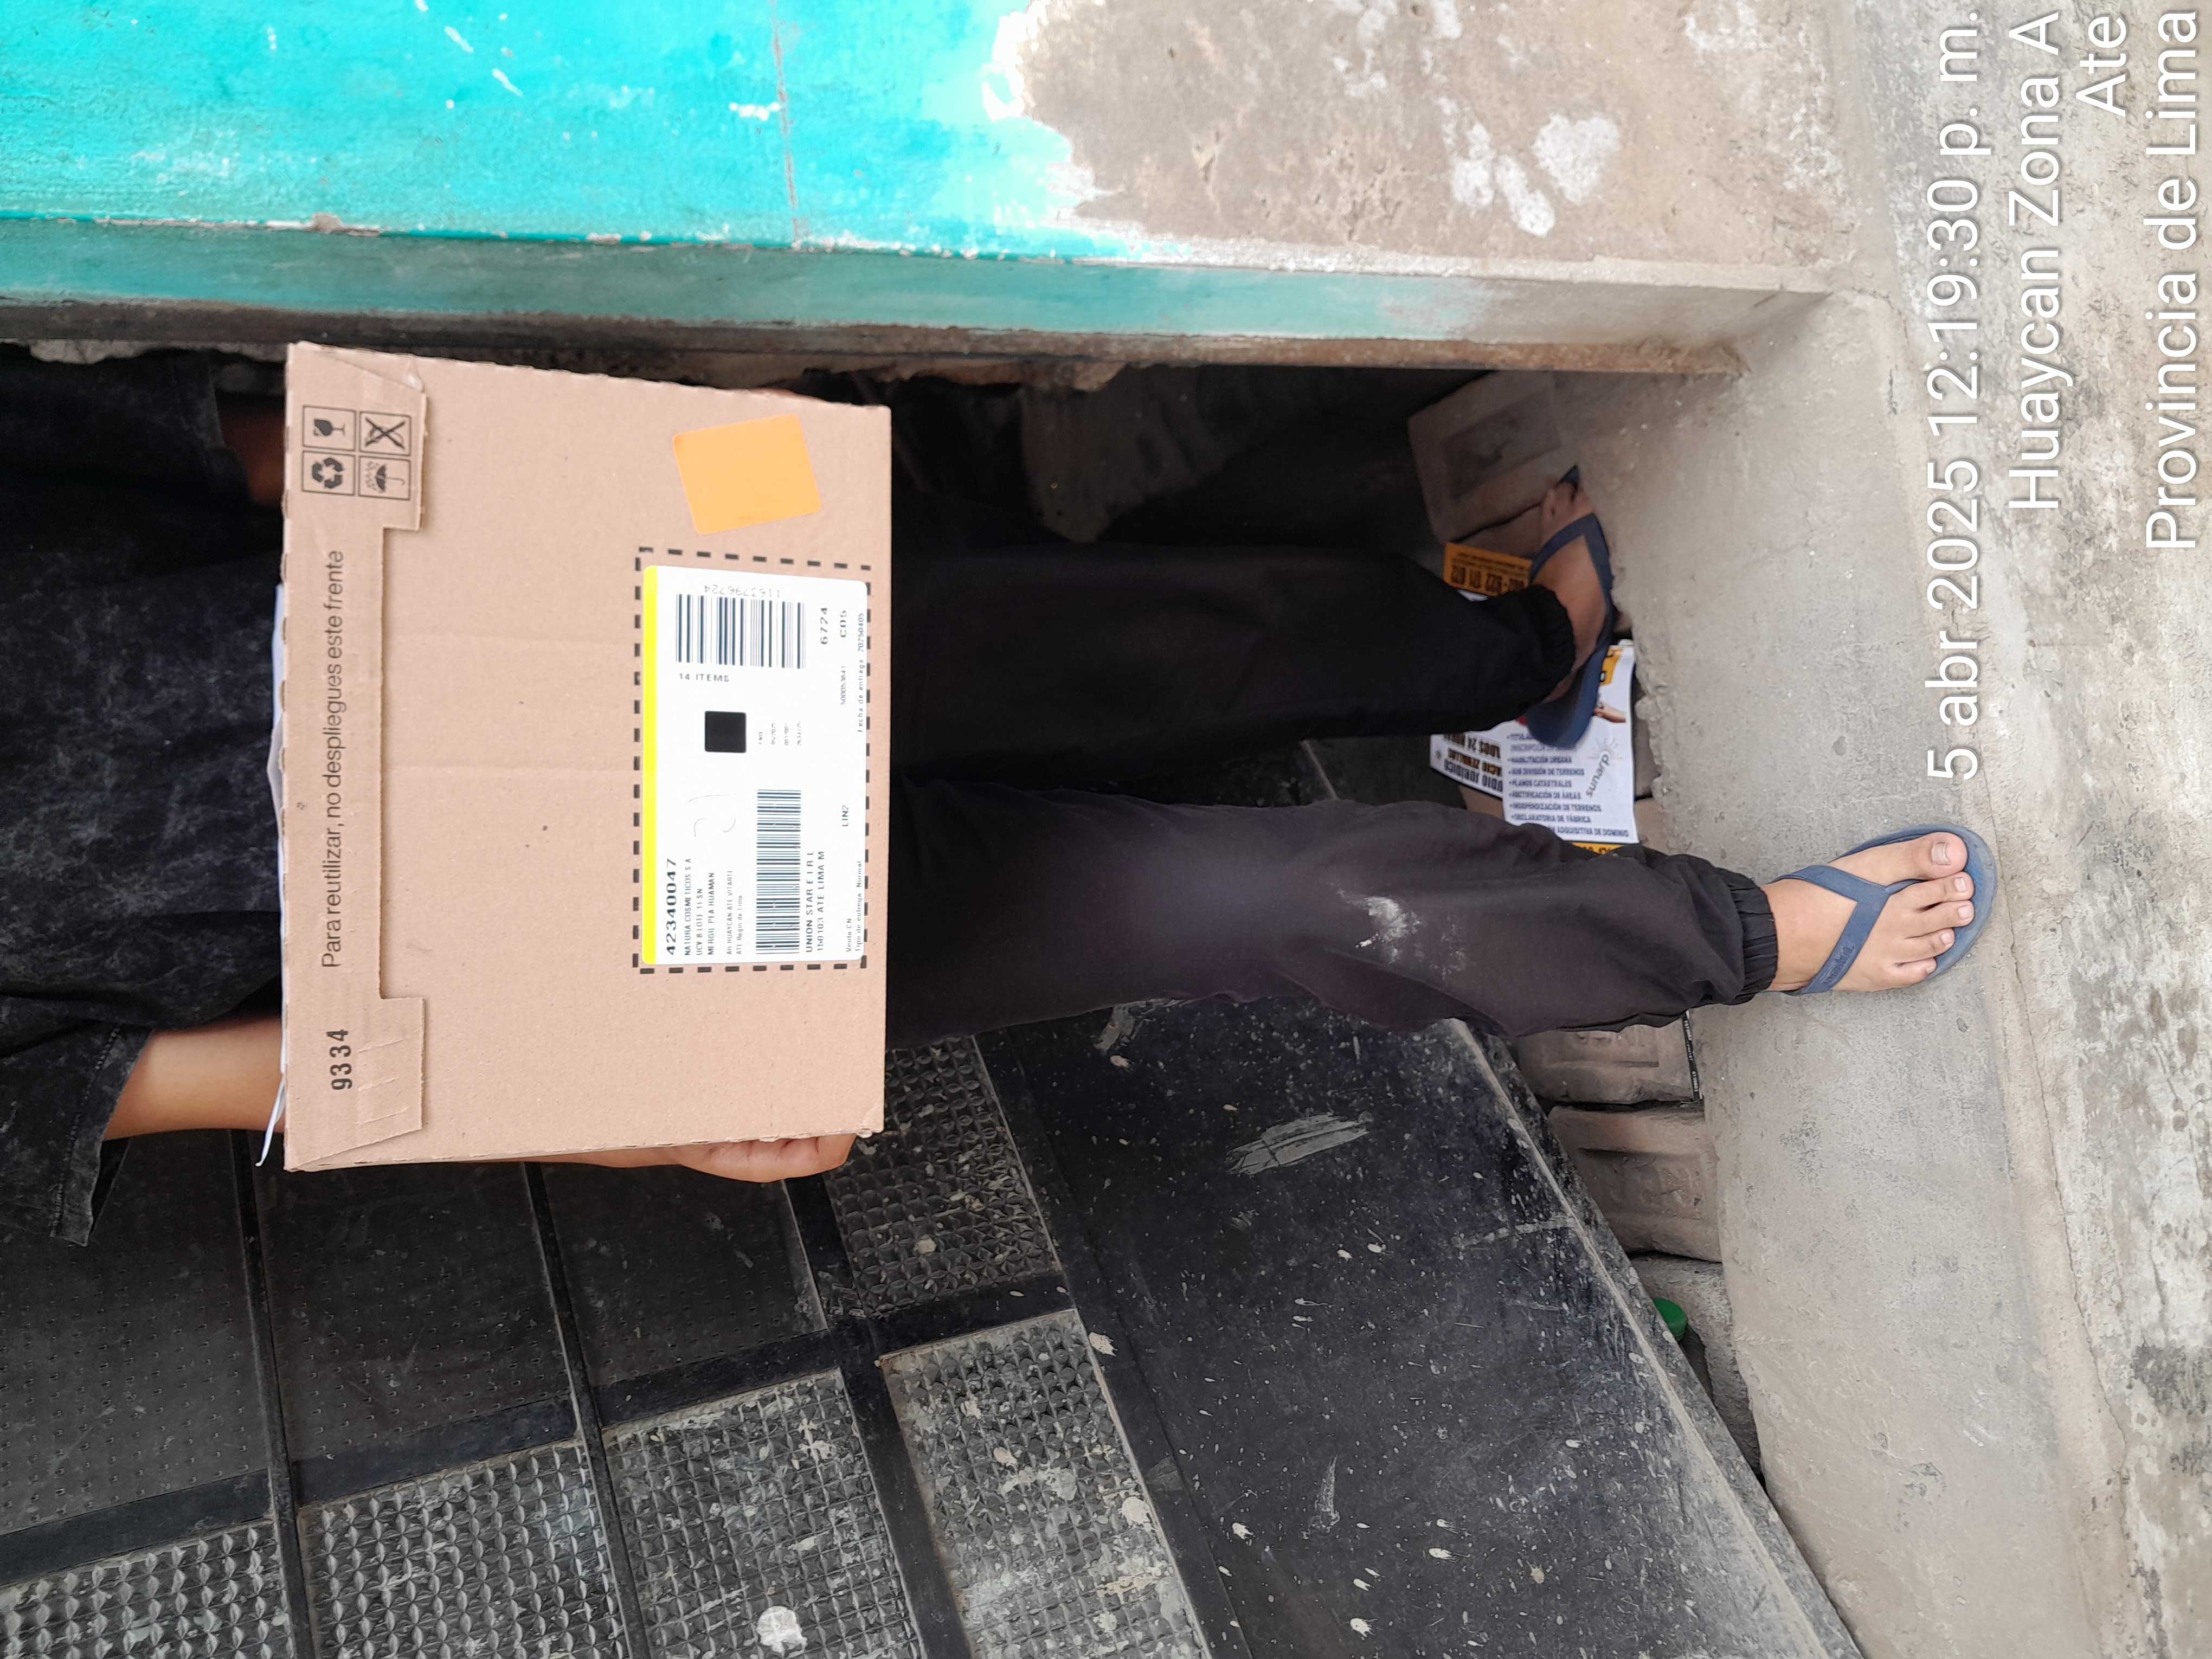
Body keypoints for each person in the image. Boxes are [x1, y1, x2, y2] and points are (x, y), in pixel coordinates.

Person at [1, 352, 1984, 1244]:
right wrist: (635, 1122)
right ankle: (1735, 935)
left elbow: (281, 456)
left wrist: (663, 462)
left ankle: (1510, 655)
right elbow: (237, 1074)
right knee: (1243, 908)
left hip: (612, 601)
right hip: (597, 927)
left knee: (1159, 638)